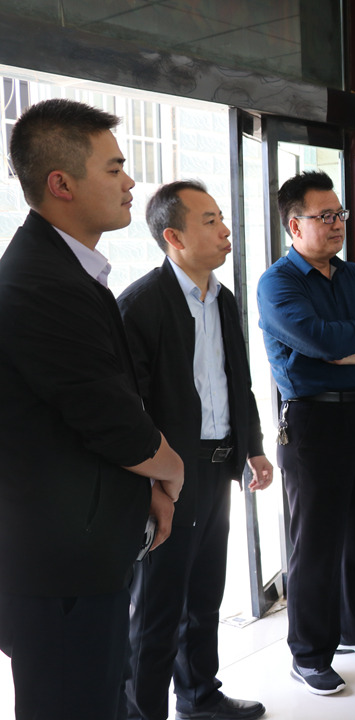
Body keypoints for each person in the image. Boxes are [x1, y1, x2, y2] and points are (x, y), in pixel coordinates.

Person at [0, 98, 184, 720]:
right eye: (114, 168)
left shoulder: (67, 269)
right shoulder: (40, 283)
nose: (130, 182)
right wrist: (171, 471)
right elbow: (109, 417)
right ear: (62, 184)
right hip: (60, 568)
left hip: (87, 550)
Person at [118, 181, 274, 720]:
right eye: (210, 221)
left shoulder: (222, 299)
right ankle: (142, 712)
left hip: (217, 466)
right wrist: (154, 481)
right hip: (169, 477)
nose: (225, 230)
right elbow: (131, 406)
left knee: (204, 594)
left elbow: (237, 381)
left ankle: (199, 696)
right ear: (174, 236)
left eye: (221, 218)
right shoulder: (141, 305)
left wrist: (253, 447)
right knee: (157, 608)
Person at [257, 170, 355, 696]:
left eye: (339, 213)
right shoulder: (278, 283)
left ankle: (349, 625)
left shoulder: (352, 275)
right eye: (325, 216)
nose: (338, 223)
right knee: (315, 542)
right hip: (312, 423)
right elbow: (317, 341)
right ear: (295, 225)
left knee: (353, 531)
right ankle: (309, 653)